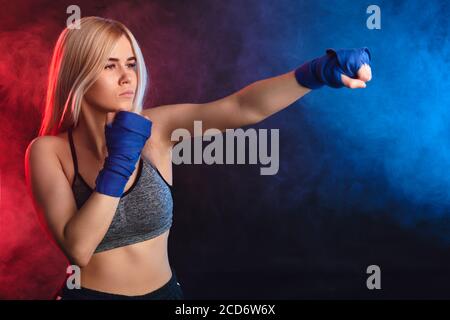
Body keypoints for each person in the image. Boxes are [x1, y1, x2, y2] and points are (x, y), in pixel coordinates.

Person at [24, 16, 372, 300]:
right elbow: (79, 249)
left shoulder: (156, 128)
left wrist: (315, 73)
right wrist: (120, 161)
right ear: (79, 75)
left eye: (130, 63)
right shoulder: (47, 152)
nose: (127, 75)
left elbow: (241, 108)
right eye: (109, 66)